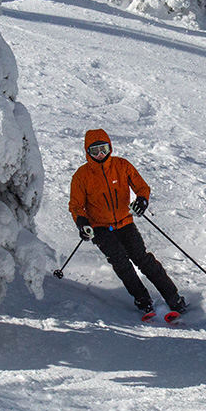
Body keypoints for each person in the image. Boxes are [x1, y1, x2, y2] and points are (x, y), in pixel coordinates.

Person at [68, 128, 187, 316]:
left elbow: (142, 187)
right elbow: (76, 205)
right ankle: (142, 299)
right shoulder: (82, 176)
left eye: (103, 149)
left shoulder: (122, 166)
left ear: (110, 148)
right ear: (87, 152)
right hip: (100, 228)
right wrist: (82, 223)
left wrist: (142, 200)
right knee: (120, 262)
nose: (100, 155)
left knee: (143, 259)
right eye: (95, 151)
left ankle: (173, 298)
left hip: (125, 222)